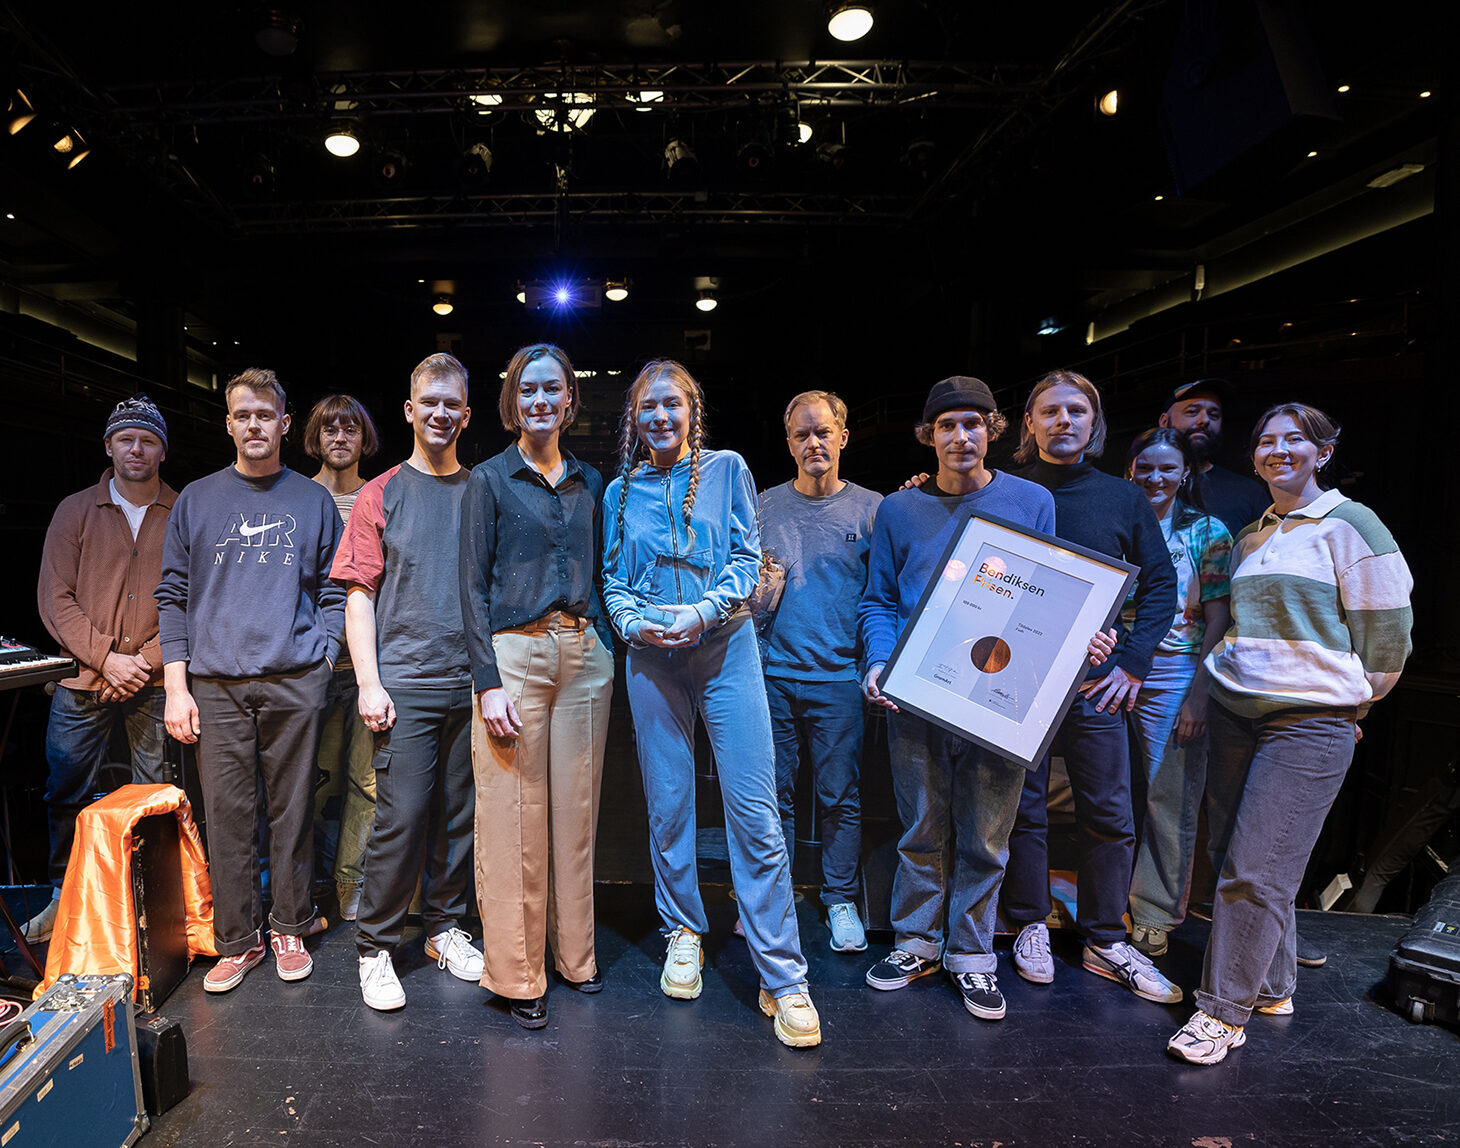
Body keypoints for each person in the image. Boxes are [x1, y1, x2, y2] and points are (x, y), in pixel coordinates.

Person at [1168, 402, 1412, 1065]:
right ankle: (1272, 985)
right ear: (1254, 458)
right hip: (1235, 712)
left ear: (1322, 452)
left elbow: (1386, 643)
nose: (1279, 449)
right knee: (1234, 862)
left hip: (1308, 722)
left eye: (1295, 439)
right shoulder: (1253, 535)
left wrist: (1348, 707)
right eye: (1267, 441)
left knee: (1256, 868)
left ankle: (1223, 1012)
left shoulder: (1351, 526)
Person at [601, 359, 821, 1048]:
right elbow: (613, 580)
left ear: (693, 411)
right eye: (648, 408)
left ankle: (781, 973)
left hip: (724, 648)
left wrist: (699, 612)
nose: (660, 417)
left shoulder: (727, 469)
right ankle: (683, 933)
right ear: (633, 420)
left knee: (753, 814)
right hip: (651, 659)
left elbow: (746, 560)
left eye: (672, 404)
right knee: (669, 805)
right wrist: (634, 624)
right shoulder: (619, 490)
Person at [860, 377, 1066, 1021]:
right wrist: (877, 662)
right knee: (921, 823)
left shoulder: (1031, 501)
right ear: (929, 437)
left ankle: (972, 956)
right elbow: (880, 600)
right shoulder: (899, 511)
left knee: (987, 830)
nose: (961, 437)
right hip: (918, 695)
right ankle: (919, 942)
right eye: (947, 426)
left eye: (973, 424)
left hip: (998, 693)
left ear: (993, 430)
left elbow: (1053, 597)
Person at [157, 368, 344, 991]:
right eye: (244, 415)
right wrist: (177, 689)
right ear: (229, 423)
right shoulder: (197, 500)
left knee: (293, 812)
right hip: (216, 684)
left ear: (285, 425)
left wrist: (325, 653)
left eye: (266, 415)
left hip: (295, 678)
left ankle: (292, 924)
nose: (255, 425)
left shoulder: (312, 501)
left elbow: (335, 590)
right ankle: (239, 940)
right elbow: (173, 596)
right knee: (230, 816)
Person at [1001, 369, 1181, 1004]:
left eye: (1077, 410)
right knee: (1022, 811)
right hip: (1017, 679)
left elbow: (1160, 586)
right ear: (1030, 423)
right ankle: (1028, 924)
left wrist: (1130, 662)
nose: (1064, 421)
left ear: (1094, 421)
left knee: (1108, 811)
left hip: (1094, 684)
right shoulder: (1007, 491)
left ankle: (1106, 936)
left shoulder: (1123, 497)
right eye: (1050, 411)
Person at [459, 343, 616, 1030]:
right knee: (513, 822)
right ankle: (520, 976)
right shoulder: (488, 481)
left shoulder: (592, 480)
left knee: (575, 818)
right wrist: (487, 683)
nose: (541, 402)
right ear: (512, 402)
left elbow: (605, 574)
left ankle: (575, 958)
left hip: (583, 656)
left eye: (553, 390)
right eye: (528, 391)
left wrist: (606, 642)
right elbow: (467, 589)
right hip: (514, 657)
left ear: (571, 400)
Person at [330, 353, 483, 1011]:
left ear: (467, 414)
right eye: (431, 402)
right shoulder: (381, 491)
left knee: (460, 819)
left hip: (471, 684)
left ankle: (445, 929)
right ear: (410, 410)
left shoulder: (483, 490)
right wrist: (370, 682)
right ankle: (375, 946)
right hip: (409, 685)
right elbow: (358, 594)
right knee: (402, 818)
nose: (442, 413)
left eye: (453, 403)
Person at [30, 395, 176, 943]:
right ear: (109, 446)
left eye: (148, 440)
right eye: (126, 439)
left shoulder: (181, 509)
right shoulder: (75, 510)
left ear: (163, 450)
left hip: (155, 680)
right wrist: (107, 659)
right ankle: (61, 898)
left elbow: (194, 600)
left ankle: (148, 906)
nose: (136, 449)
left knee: (153, 795)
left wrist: (143, 661)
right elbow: (55, 597)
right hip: (84, 679)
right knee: (66, 790)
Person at [758, 390, 881, 953]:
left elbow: (888, 597)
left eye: (823, 432)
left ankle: (839, 901)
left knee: (840, 797)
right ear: (788, 443)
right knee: (773, 796)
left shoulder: (874, 510)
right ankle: (774, 902)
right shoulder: (763, 506)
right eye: (802, 434)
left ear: (843, 437)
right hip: (773, 675)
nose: (813, 442)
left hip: (839, 680)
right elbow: (744, 600)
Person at [1120, 428, 1232, 958]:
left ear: (1185, 472)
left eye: (1168, 468)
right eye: (1146, 467)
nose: (1156, 478)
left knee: (1170, 794)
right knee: (1102, 790)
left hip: (1174, 669)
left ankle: (1156, 910)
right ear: (1130, 469)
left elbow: (1219, 617)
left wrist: (1199, 694)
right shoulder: (1121, 519)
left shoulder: (1208, 531)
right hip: (1111, 665)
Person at [304, 394, 381, 921]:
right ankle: (297, 887)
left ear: (363, 437)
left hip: (365, 668)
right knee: (305, 784)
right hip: (309, 664)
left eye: (349, 429)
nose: (339, 437)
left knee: (365, 783)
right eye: (329, 428)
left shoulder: (379, 496)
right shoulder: (295, 495)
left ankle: (351, 883)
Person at [1159, 379, 1268, 539]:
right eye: (1192, 412)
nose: (1204, 420)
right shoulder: (1146, 487)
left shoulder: (1248, 492)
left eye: (1214, 414)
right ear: (1164, 421)